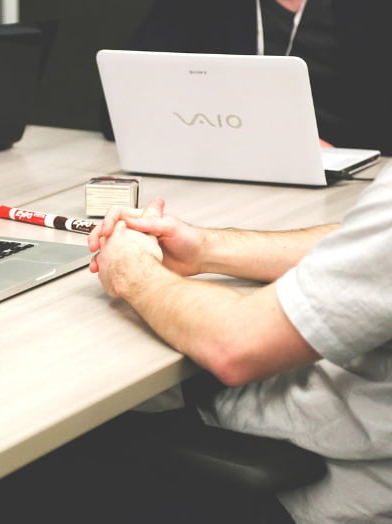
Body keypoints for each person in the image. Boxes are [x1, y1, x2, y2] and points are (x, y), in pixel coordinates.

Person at [86, 161, 392, 522]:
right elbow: (364, 241)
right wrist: (204, 248)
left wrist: (133, 272)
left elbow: (236, 348)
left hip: (338, 475)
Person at [101, 0, 392, 155]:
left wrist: (340, 154)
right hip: (221, 166)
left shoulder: (372, 11)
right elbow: (120, 110)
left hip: (352, 176)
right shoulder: (198, 6)